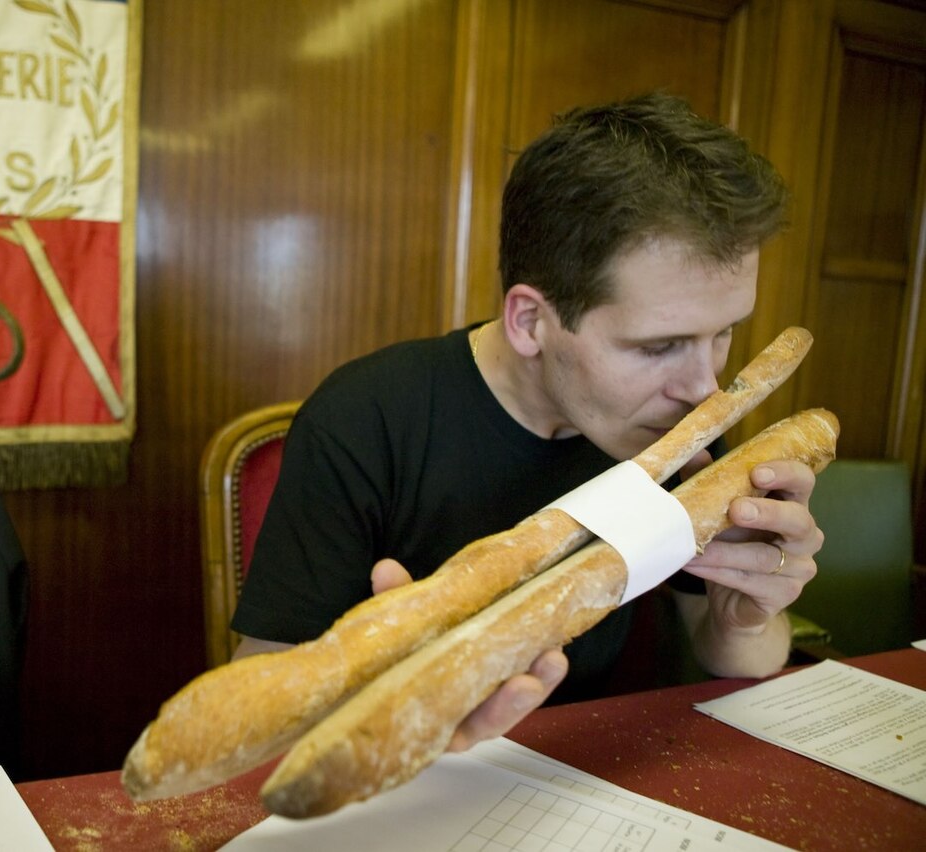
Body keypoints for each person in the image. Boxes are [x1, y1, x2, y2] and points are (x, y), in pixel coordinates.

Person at [228, 91, 824, 752]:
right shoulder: (366, 419)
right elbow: (256, 707)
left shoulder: (680, 420)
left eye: (725, 334)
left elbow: (733, 654)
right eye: (658, 346)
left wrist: (746, 617)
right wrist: (393, 715)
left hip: (598, 778)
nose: (705, 386)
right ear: (530, 321)